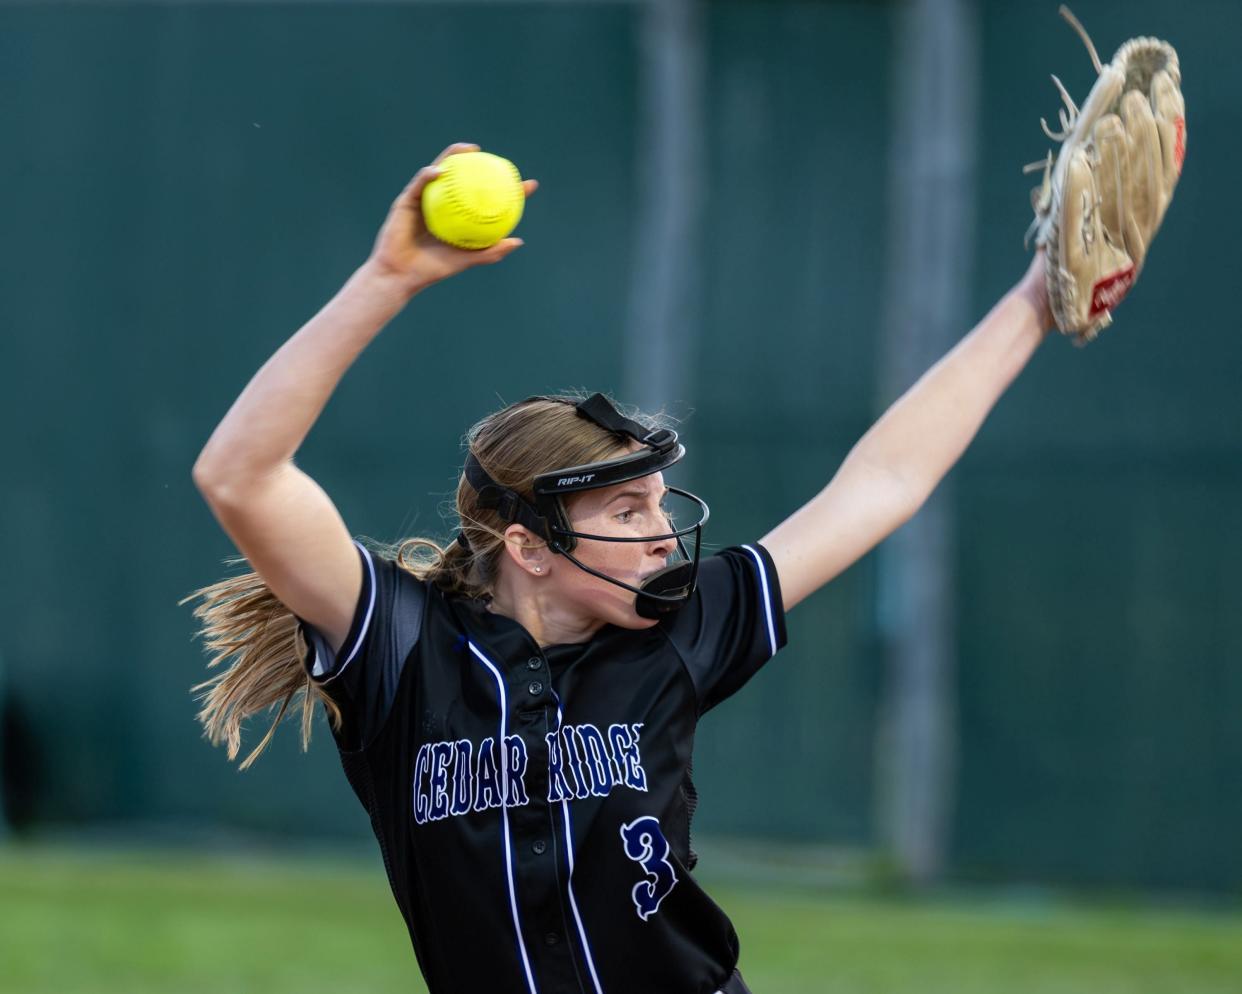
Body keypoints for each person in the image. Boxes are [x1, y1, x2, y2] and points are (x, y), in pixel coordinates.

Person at [187, 141, 1054, 994]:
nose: (663, 537)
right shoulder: (403, 652)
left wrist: (1035, 301)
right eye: (626, 511)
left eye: (660, 503)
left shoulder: (678, 628)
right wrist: (387, 282)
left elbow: (884, 481)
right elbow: (238, 474)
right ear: (526, 546)